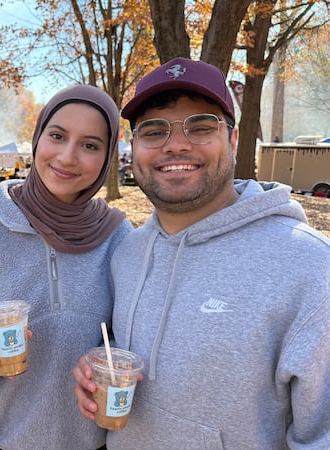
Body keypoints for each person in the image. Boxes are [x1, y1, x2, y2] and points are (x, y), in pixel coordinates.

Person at [73, 57, 330, 449]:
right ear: (134, 147)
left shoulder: (310, 268)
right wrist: (95, 369)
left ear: (233, 139)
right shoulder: (126, 253)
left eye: (201, 126)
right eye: (154, 130)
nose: (176, 143)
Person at [0, 85, 133, 450]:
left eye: (90, 145)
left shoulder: (119, 236)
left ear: (108, 156)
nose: (67, 156)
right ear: (38, 136)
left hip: (93, 442)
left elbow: (133, 340)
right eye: (58, 136)